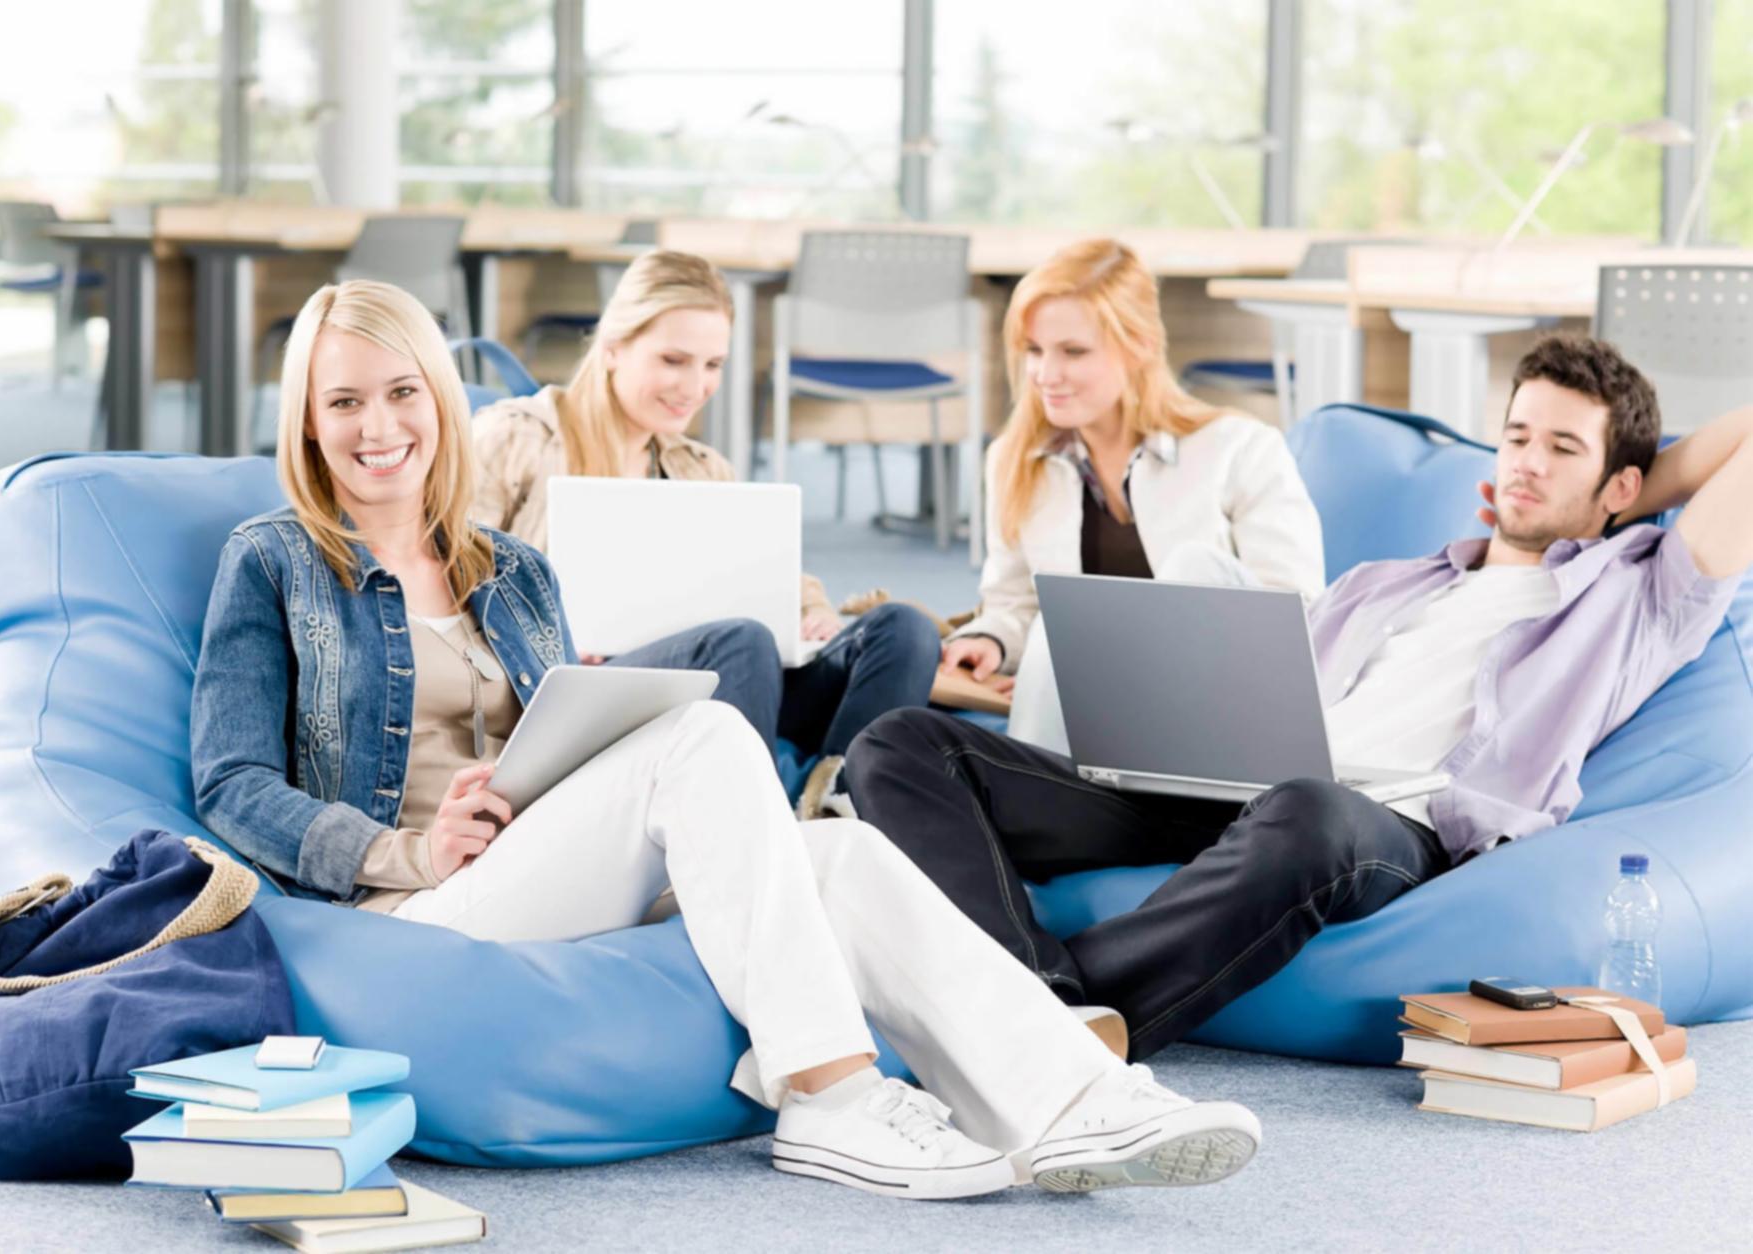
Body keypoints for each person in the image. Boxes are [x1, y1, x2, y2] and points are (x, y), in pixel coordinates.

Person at [189, 278, 1263, 1199]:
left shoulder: (511, 572)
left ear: (437, 398)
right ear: (308, 421)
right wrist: (408, 852)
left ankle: (1074, 1100)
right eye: (344, 402)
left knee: (837, 853)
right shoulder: (275, 561)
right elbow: (229, 784)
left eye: (400, 393)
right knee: (705, 735)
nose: (378, 427)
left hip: (535, 869)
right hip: (408, 913)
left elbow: (556, 748)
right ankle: (828, 1094)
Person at [848, 333, 1752, 1060]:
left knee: (1310, 810)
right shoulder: (1384, 581)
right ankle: (1040, 996)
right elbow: (1262, 691)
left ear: (1625, 485)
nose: (1526, 462)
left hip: (1375, 829)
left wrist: (1624, 501)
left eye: (1563, 447)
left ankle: (1018, 1029)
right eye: (1517, 436)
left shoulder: (1636, 597)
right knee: (903, 743)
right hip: (1229, 790)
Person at [469, 250, 938, 815]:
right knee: (743, 641)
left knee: (903, 628)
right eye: (674, 360)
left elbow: (771, 573)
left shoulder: (700, 466)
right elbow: (451, 580)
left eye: (712, 365)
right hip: (586, 690)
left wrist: (810, 608)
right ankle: (755, 827)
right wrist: (553, 645)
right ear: (613, 347)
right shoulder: (516, 438)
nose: (695, 386)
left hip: (728, 674)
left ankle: (835, 801)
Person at [942, 238, 1323, 752]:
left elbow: (1295, 616)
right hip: (1092, 716)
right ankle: (1035, 796)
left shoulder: (1241, 448)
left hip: (1216, 705)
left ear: (1140, 346)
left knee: (1192, 568)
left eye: (1073, 351)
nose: (1045, 375)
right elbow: (1016, 602)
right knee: (1061, 626)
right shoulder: (1014, 459)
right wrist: (989, 640)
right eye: (1034, 350)